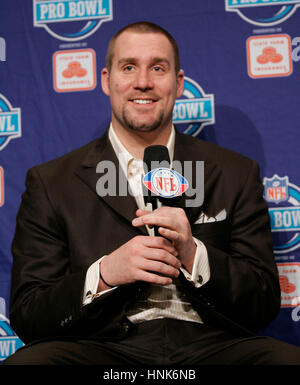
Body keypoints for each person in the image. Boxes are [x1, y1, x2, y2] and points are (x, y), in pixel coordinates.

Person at [4, 21, 300, 365]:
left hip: (212, 346)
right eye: (129, 67)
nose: (143, 81)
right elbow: (29, 313)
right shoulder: (53, 182)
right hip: (102, 347)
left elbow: (262, 302)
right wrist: (104, 274)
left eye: (157, 68)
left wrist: (193, 254)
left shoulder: (234, 173)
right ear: (106, 80)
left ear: (178, 83)